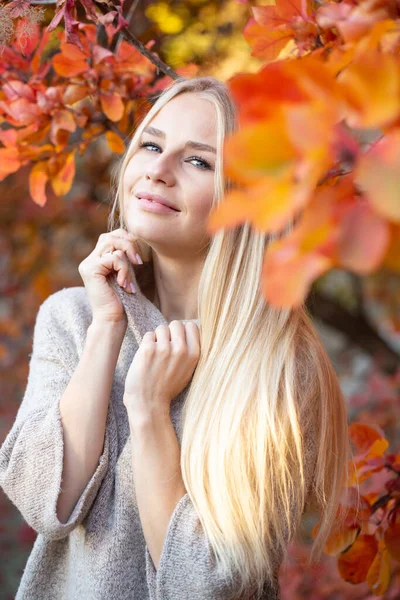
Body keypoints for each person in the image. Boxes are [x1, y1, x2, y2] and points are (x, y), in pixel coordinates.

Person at [0, 76, 354, 600]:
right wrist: (106, 330)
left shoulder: (278, 366)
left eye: (198, 161)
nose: (157, 171)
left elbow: (205, 584)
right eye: (151, 144)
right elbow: (43, 502)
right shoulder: (74, 317)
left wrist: (148, 410)